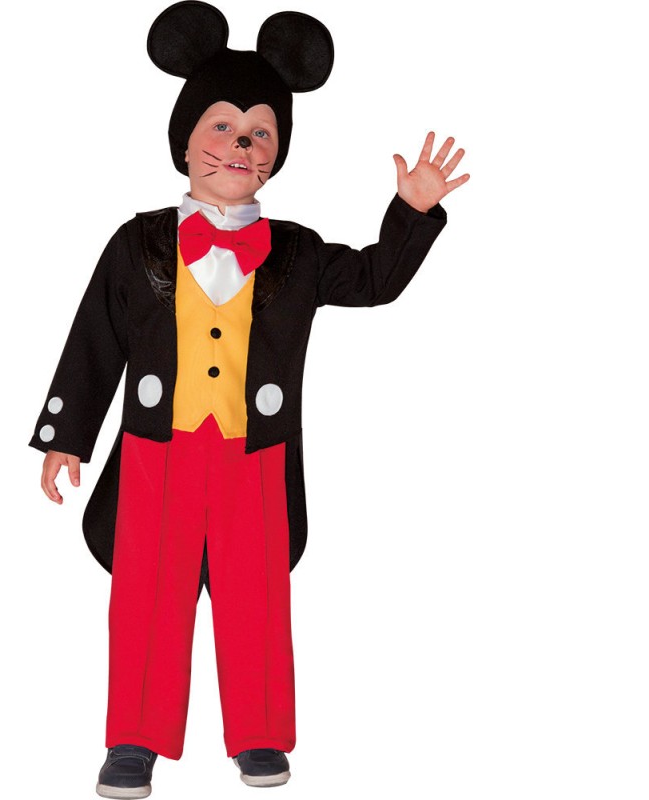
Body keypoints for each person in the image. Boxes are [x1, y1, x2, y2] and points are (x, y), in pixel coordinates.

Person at [29, 3, 469, 797]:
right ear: (185, 140)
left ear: (277, 154)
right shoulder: (137, 242)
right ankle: (133, 741)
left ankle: (260, 736)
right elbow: (95, 337)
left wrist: (412, 212)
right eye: (224, 125)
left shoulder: (296, 253)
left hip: (254, 459)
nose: (241, 143)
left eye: (260, 132)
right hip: (156, 452)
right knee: (146, 601)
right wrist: (68, 436)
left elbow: (375, 280)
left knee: (256, 601)